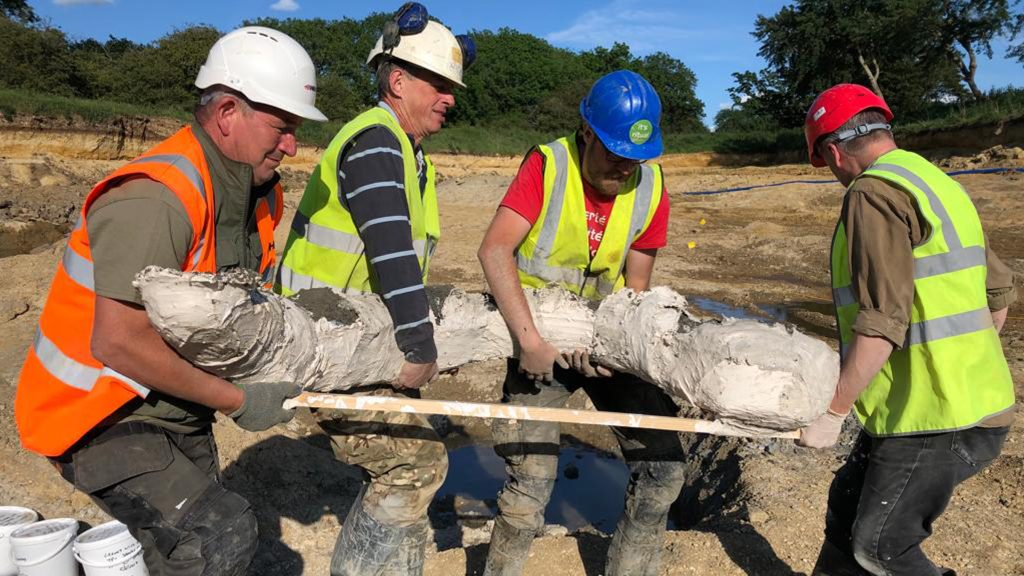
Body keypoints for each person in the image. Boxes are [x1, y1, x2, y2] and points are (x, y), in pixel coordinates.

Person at [14, 26, 326, 575]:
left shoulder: (257, 193)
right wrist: (236, 399)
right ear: (228, 112)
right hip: (96, 413)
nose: (291, 146)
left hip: (173, 404)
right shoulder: (156, 197)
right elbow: (118, 342)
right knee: (217, 535)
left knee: (175, 551)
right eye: (282, 127)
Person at [273, 3, 474, 574]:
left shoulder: (405, 149)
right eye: (438, 84)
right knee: (415, 465)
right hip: (327, 338)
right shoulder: (379, 140)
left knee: (418, 460)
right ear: (398, 79)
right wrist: (419, 345)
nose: (450, 98)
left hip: (353, 329)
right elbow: (390, 252)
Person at [797, 83, 1017, 576]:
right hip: (970, 403)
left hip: (934, 416)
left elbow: (880, 322)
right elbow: (998, 295)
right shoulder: (934, 181)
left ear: (833, 151)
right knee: (847, 511)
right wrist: (965, 364)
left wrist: (833, 410)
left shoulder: (872, 193)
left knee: (880, 546)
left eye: (826, 163)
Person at [477, 70, 686, 576]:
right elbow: (494, 249)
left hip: (603, 346)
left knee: (663, 469)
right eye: (615, 154)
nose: (624, 169)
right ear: (588, 131)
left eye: (634, 159)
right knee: (531, 480)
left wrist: (620, 353)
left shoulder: (651, 185)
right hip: (538, 343)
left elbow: (636, 287)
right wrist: (529, 343)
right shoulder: (548, 165)